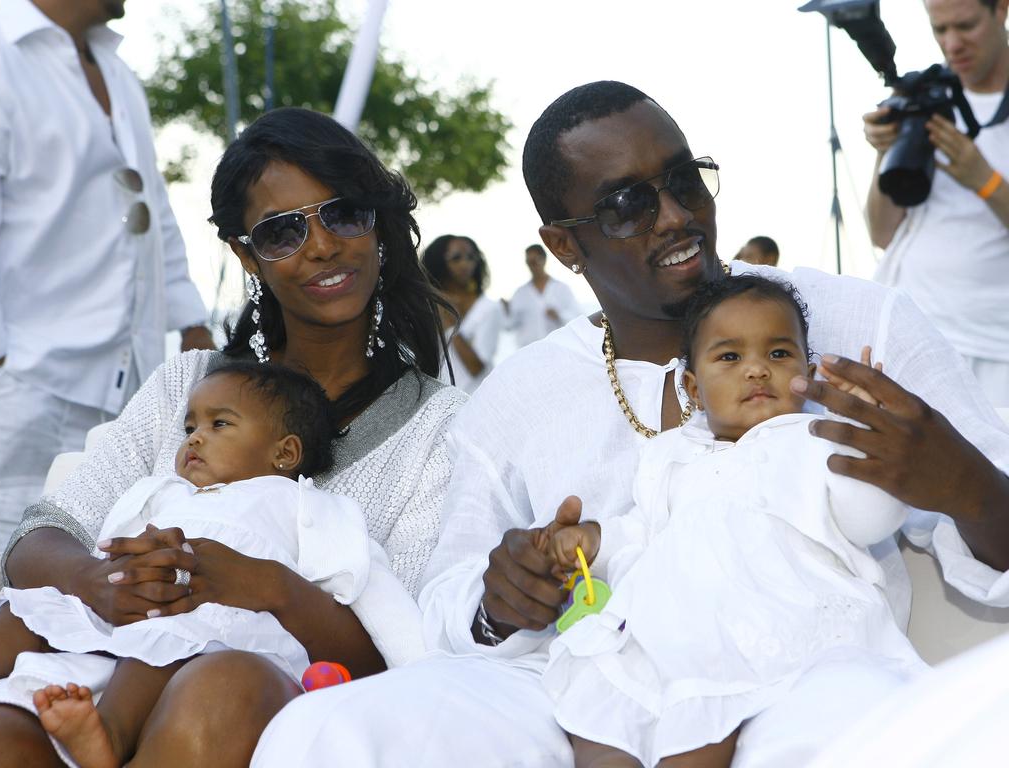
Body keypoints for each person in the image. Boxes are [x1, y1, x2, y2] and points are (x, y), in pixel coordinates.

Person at [249, 81, 1009, 768]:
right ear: (564, 245)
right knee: (324, 734)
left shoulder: (859, 320)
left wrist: (965, 486)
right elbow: (446, 606)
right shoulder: (515, 398)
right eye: (627, 204)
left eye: (683, 180)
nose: (677, 215)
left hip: (801, 673)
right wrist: (499, 598)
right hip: (574, 684)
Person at [0, 106, 464, 768]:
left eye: (345, 213)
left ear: (377, 226)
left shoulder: (440, 427)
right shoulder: (188, 385)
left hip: (302, 717)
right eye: (283, 231)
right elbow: (42, 532)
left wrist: (265, 585)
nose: (322, 246)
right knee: (1, 730)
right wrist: (97, 580)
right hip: (100, 669)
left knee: (222, 686)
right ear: (247, 256)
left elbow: (405, 646)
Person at [540, 275, 925, 768]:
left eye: (779, 354)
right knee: (603, 708)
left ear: (810, 373)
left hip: (779, 615)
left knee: (699, 721)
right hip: (670, 626)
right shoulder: (670, 456)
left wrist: (864, 437)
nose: (758, 370)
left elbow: (870, 520)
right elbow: (644, 529)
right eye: (730, 357)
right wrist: (595, 539)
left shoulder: (814, 441)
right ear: (694, 389)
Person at [0, 361, 424, 768]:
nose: (195, 437)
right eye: (190, 426)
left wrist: (418, 661)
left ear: (285, 453)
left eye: (220, 424)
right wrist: (108, 577)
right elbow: (108, 544)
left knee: (172, 626)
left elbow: (374, 597)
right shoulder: (162, 491)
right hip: (125, 610)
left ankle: (111, 735)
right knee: (28, 610)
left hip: (212, 620)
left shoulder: (306, 505)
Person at [0, 0, 214, 547]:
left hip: (128, 384)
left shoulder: (118, 72)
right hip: (24, 386)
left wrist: (192, 323)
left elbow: (152, 204)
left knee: (92, 571)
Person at [864, 0, 1009, 407]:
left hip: (994, 350)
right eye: (939, 29)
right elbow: (882, 233)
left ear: (1001, 9)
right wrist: (885, 153)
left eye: (965, 26)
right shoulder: (927, 95)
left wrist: (985, 180)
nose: (952, 44)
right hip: (909, 336)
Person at [422, 234, 503, 394]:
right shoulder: (426, 304)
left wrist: (449, 322)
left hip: (477, 396)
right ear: (439, 262)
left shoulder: (488, 308)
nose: (466, 263)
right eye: (456, 258)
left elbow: (476, 367)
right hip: (437, 399)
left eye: (471, 257)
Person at [503, 244, 582, 348]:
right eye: (529, 262)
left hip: (558, 350)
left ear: (544, 259)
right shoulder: (520, 293)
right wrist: (505, 310)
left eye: (535, 261)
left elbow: (578, 318)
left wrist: (559, 315)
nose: (532, 265)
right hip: (529, 353)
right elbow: (509, 326)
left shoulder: (562, 289)